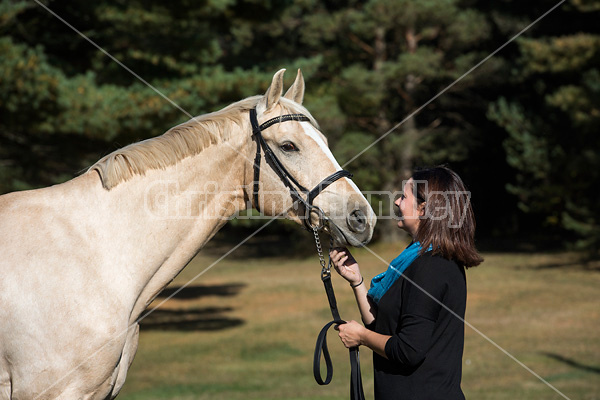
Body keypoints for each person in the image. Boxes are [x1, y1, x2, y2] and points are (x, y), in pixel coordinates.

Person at [330, 166, 483, 400]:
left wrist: (360, 337)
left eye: (403, 196)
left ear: (424, 208)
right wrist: (356, 280)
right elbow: (383, 329)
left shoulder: (432, 267)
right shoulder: (417, 259)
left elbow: (408, 350)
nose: (397, 202)